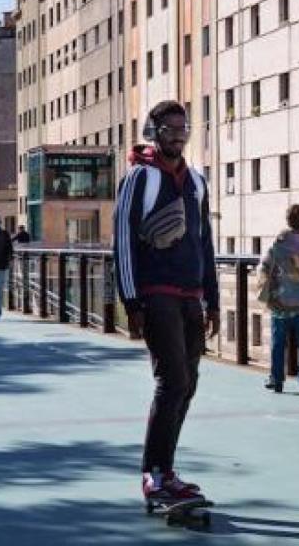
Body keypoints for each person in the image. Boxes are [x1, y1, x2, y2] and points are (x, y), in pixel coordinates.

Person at [114, 100, 220, 504]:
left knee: (187, 385)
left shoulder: (196, 181)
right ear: (153, 132)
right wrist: (131, 300)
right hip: (155, 294)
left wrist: (212, 298)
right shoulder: (139, 178)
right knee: (172, 379)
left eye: (183, 128)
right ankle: (154, 474)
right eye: (170, 128)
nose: (178, 135)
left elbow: (204, 243)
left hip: (191, 296)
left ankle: (166, 470)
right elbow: (122, 239)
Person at [259, 204, 299, 396]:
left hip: (282, 301)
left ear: (288, 220)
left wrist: (267, 289)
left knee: (279, 342)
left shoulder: (280, 242)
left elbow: (266, 265)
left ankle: (277, 379)